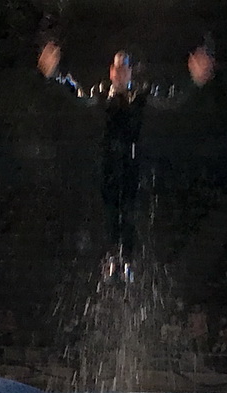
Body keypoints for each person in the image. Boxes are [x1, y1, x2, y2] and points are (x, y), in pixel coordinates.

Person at [37, 41, 215, 263]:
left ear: (130, 72)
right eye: (117, 68)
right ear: (111, 72)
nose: (120, 73)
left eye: (125, 68)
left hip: (131, 159)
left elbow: (170, 98)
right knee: (111, 209)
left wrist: (192, 81)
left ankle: (127, 257)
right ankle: (113, 255)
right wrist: (57, 75)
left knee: (129, 209)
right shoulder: (102, 93)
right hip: (108, 159)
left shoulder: (140, 94)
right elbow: (79, 94)